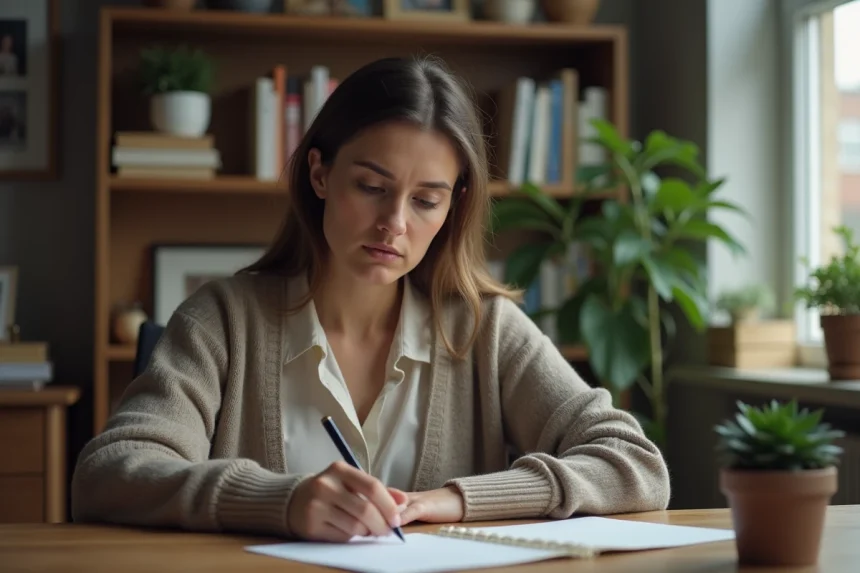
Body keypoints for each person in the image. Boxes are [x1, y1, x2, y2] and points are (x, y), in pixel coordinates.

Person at [71, 56, 671, 542]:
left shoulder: (484, 329)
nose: (394, 224)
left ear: (453, 206)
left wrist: (457, 499)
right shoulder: (222, 321)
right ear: (320, 174)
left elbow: (635, 465)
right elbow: (108, 473)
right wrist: (282, 501)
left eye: (426, 200)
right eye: (371, 186)